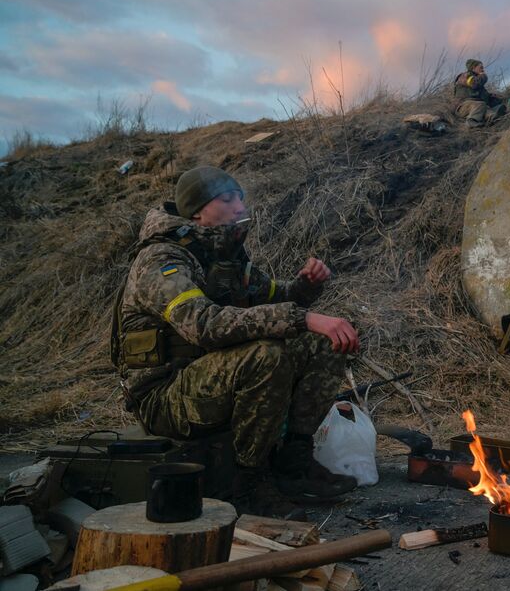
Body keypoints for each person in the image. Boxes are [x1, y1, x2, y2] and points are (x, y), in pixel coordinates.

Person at [111, 166, 359, 514]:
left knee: (319, 344)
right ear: (198, 211)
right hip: (163, 395)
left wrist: (306, 287)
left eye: (240, 198)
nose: (240, 207)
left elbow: (274, 299)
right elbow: (204, 324)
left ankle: (293, 463)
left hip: (205, 378)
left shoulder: (226, 257)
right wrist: (303, 317)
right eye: (227, 199)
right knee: (266, 355)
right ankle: (247, 485)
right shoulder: (163, 259)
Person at [453, 59, 505, 127]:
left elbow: (482, 95)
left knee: (492, 115)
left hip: (477, 107)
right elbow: (474, 84)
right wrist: (483, 76)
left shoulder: (477, 79)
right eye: (481, 67)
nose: (483, 69)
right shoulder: (465, 76)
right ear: (473, 68)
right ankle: (471, 121)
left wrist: (491, 97)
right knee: (481, 104)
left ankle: (489, 122)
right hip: (463, 106)